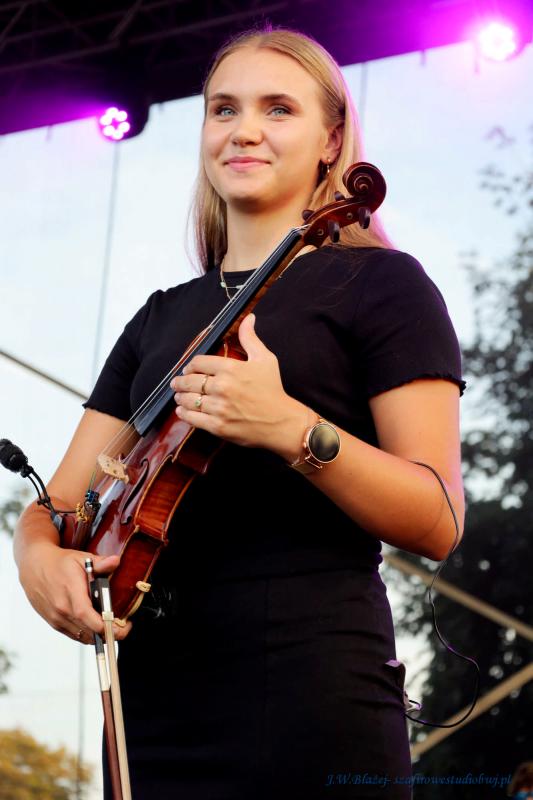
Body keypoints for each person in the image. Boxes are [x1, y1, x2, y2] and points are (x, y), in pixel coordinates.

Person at [13, 25, 466, 799]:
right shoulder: (159, 317)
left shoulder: (384, 287)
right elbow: (61, 505)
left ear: (331, 141)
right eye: (223, 109)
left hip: (311, 696)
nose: (244, 130)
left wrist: (290, 428)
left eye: (277, 109)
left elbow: (438, 519)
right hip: (153, 705)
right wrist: (35, 559)